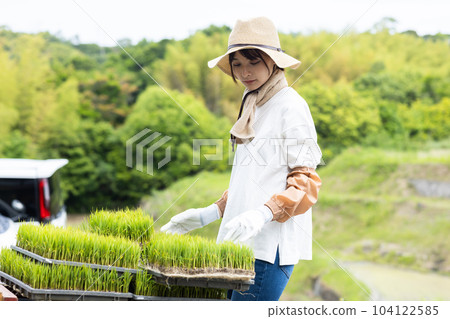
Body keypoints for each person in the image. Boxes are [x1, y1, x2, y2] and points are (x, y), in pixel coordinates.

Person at [161, 16, 322, 301]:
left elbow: (306, 183)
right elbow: (253, 180)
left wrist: (263, 213)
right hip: (237, 246)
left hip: (266, 248)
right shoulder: (253, 103)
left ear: (274, 62)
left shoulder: (290, 106)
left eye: (254, 62)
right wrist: (209, 213)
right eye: (237, 64)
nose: (245, 72)